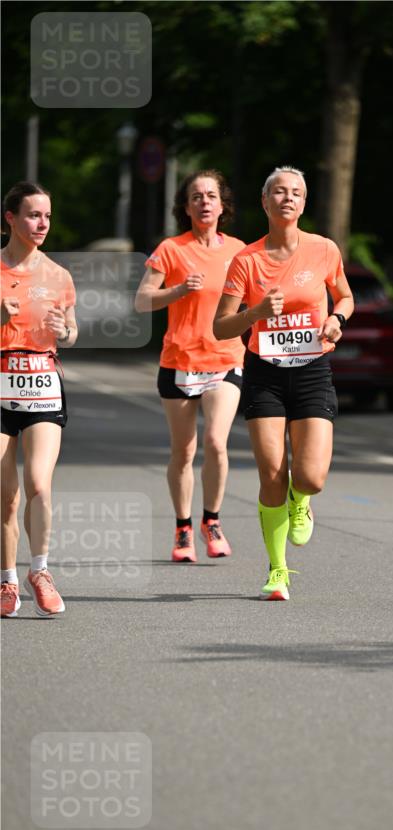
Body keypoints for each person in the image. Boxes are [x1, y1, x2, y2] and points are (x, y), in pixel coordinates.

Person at [213, 165, 354, 600]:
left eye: (295, 192)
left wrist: (336, 319)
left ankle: (302, 500)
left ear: (304, 203)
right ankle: (278, 570)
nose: (287, 198)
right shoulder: (247, 260)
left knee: (310, 477)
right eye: (278, 191)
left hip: (312, 371)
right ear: (265, 202)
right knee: (271, 472)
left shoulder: (324, 249)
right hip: (265, 375)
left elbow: (346, 295)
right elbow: (221, 327)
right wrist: (255, 315)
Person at [135, 170, 245, 562]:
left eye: (211, 195)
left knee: (216, 441)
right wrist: (179, 290)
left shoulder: (239, 251)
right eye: (196, 196)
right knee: (183, 451)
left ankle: (211, 521)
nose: (204, 202)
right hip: (180, 360)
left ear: (222, 205)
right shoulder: (171, 249)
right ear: (186, 206)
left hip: (225, 358)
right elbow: (142, 301)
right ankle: (183, 528)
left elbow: (258, 302)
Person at [1, 181, 77, 618]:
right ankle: (7, 581)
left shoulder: (58, 276)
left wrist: (64, 332)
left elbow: (72, 330)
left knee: (39, 486)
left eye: (47, 215)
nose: (42, 223)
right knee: (5, 496)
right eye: (33, 215)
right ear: (10, 218)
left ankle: (40, 571)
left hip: (43, 385)